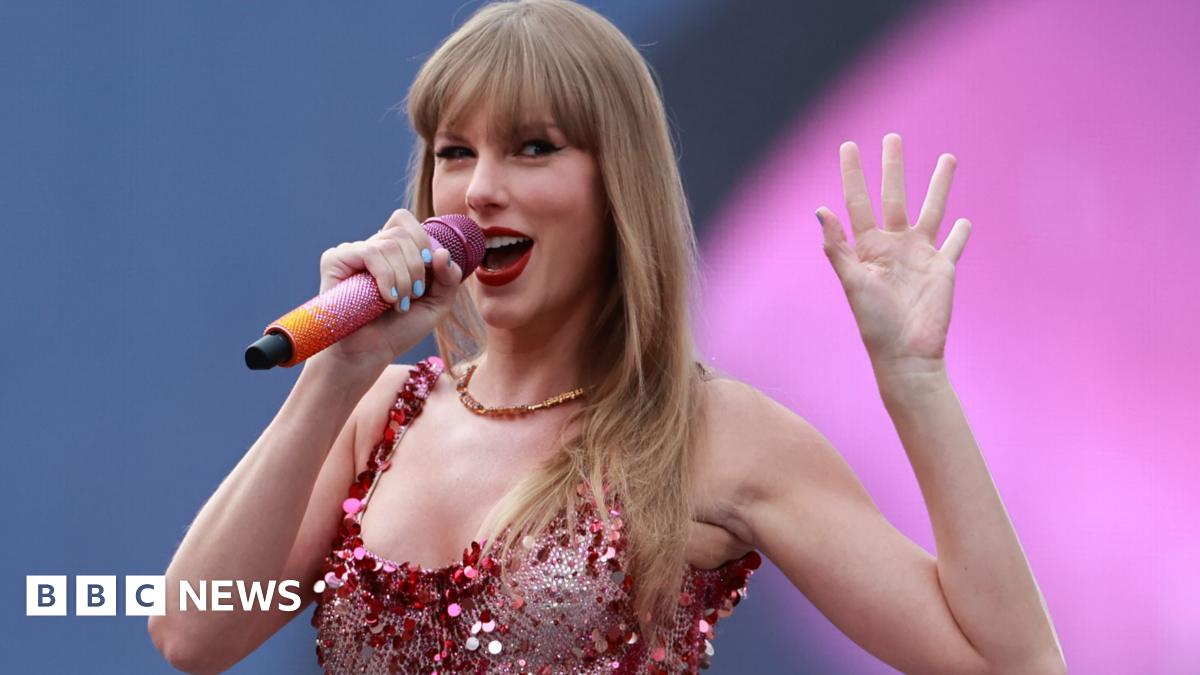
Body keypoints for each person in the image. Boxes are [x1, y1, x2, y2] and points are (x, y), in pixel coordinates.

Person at [149, 1, 1066, 673]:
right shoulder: (380, 413)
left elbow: (1009, 662)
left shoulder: (710, 432)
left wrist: (914, 378)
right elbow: (192, 629)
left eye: (533, 148)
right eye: (456, 152)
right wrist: (336, 374)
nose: (480, 189)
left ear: (615, 185)